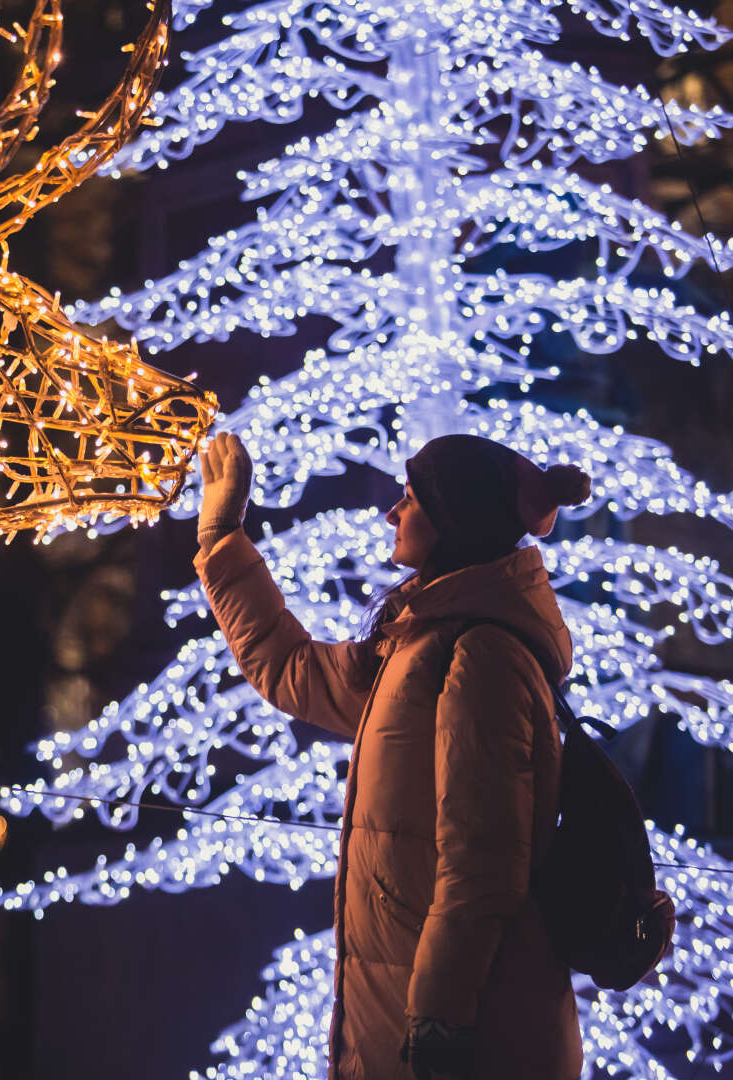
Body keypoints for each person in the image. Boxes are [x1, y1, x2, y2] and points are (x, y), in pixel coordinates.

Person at [196, 432, 592, 1080]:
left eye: (409, 499)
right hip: (410, 1026)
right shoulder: (419, 648)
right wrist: (222, 537)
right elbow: (292, 668)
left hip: (463, 1043)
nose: (392, 513)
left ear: (452, 520)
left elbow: (482, 861)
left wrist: (439, 1022)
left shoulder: (482, 657)